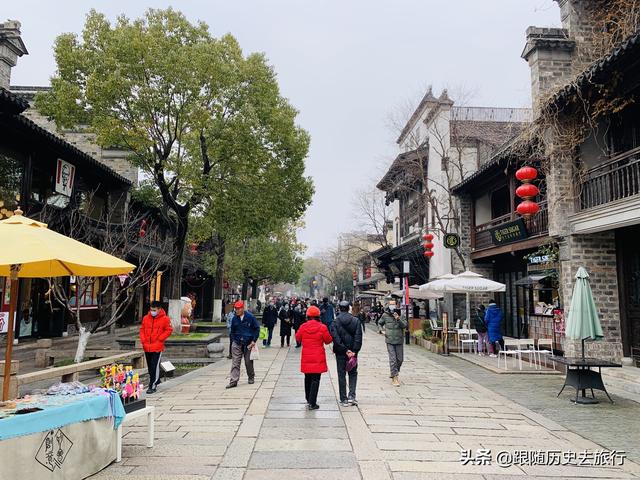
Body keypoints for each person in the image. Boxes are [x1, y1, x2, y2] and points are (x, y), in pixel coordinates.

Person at [295, 305, 333, 410]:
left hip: (306, 356)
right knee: (316, 379)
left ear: (307, 316)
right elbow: (328, 340)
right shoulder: (322, 327)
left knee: (307, 378)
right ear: (318, 316)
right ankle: (312, 402)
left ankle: (308, 399)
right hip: (318, 356)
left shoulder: (303, 327)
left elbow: (298, 338)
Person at [331, 300, 363, 407]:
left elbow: (336, 338)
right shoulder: (356, 321)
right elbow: (358, 337)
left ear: (339, 309)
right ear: (349, 308)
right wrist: (354, 351)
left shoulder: (335, 322)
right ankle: (351, 396)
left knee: (341, 374)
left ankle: (343, 398)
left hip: (340, 352)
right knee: (353, 373)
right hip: (353, 354)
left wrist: (345, 350)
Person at [139, 301, 173, 394]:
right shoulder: (146, 318)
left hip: (157, 346)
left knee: (155, 366)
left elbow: (169, 330)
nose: (152, 311)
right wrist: (143, 340)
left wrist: (160, 339)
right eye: (151, 309)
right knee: (150, 367)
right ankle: (156, 380)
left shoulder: (165, 319)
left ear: (159, 309)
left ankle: (152, 385)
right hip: (147, 346)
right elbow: (142, 329)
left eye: (154, 310)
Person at [226, 300, 260, 388]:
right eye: (235, 309)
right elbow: (232, 330)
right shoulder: (234, 318)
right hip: (237, 342)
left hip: (248, 343)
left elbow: (257, 329)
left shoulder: (250, 317)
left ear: (243, 308)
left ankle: (251, 376)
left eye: (238, 309)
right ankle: (233, 380)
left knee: (248, 361)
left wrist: (253, 341)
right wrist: (234, 340)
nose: (236, 310)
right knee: (235, 362)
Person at [378, 305, 407, 386]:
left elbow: (405, 325)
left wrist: (398, 319)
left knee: (400, 359)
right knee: (393, 359)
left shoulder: (402, 315)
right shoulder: (385, 315)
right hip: (389, 340)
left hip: (399, 340)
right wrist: (381, 330)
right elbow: (380, 323)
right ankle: (395, 377)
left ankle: (395, 371)